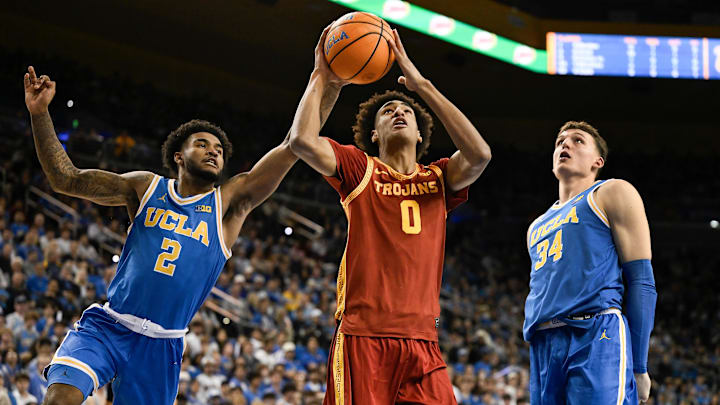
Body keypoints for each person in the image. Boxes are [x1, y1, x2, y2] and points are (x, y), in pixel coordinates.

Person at [23, 65, 336, 405]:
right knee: (59, 399)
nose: (213, 150)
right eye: (202, 144)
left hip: (162, 345)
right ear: (179, 156)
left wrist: (328, 80)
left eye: (218, 148)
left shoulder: (229, 203)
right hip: (109, 325)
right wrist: (40, 114)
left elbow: (295, 144)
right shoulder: (146, 187)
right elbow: (66, 179)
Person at [288, 26, 491, 404]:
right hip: (363, 335)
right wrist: (321, 76)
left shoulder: (440, 178)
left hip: (422, 341)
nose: (398, 111)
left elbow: (480, 154)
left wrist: (422, 87)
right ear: (375, 135)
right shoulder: (359, 167)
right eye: (387, 111)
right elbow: (301, 140)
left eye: (407, 112)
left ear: (419, 134)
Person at [523, 121, 656, 404]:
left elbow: (642, 280)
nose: (564, 144)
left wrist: (639, 366)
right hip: (544, 343)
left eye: (577, 140)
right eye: (560, 141)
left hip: (596, 333)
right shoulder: (535, 225)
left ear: (598, 161)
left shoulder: (611, 192)